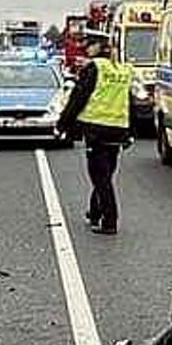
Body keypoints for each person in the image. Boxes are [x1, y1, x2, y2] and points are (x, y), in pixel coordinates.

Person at [58, 31, 133, 235]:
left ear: (98, 47)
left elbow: (78, 98)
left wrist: (63, 124)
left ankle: (110, 221)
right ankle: (94, 211)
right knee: (106, 174)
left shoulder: (94, 68)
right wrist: (129, 132)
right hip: (117, 131)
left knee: (100, 177)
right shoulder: (124, 70)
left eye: (89, 45)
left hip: (97, 130)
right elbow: (130, 103)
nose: (86, 48)